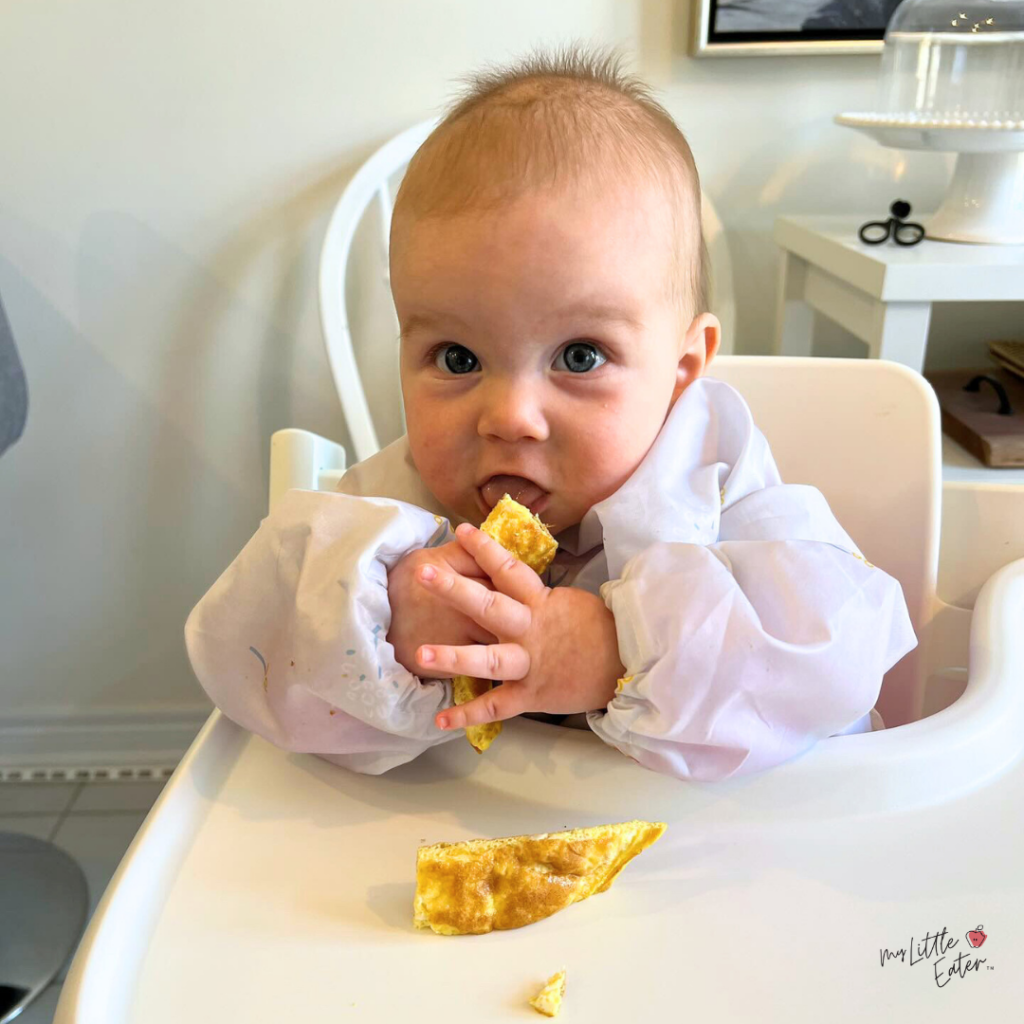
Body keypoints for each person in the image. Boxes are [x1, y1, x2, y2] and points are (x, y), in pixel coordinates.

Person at [185, 46, 915, 781]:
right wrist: (381, 628)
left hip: (706, 851)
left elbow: (841, 661)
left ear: (682, 372)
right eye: (458, 359)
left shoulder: (719, 482)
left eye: (579, 357)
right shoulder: (392, 508)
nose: (509, 417)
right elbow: (243, 653)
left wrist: (629, 649)